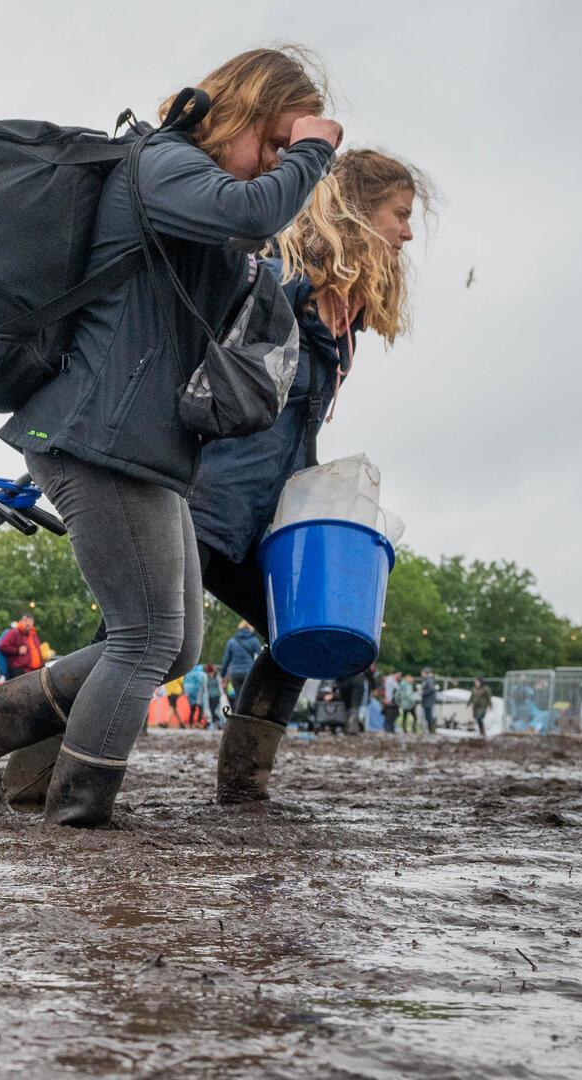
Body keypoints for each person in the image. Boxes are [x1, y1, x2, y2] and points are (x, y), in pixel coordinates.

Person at [0, 47, 341, 827]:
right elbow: (256, 213)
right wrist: (318, 148)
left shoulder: (188, 182)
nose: (282, 166)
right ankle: (78, 816)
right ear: (245, 115)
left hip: (137, 443)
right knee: (144, 635)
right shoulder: (167, 165)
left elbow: (254, 239)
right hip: (99, 437)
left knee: (177, 645)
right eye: (277, 144)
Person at [189, 147, 430, 799]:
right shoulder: (274, 281)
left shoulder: (343, 324)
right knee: (141, 643)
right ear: (356, 214)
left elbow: (295, 433)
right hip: (200, 500)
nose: (408, 232)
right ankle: (11, 755)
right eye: (399, 214)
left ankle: (243, 786)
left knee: (294, 632)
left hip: (262, 517)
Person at [218, 622, 262, 706]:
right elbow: (261, 655)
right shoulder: (254, 640)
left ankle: (237, 716)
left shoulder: (232, 641)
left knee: (238, 697)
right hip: (248, 672)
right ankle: (248, 716)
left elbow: (226, 660)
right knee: (248, 696)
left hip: (235, 673)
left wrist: (222, 675)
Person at [183, 663, 207, 728]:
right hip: (199, 692)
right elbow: (204, 684)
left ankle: (191, 724)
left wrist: (186, 692)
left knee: (192, 709)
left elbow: (185, 683)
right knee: (200, 708)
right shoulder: (202, 673)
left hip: (190, 692)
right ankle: (198, 723)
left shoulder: (189, 672)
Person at [419, 667, 439, 733]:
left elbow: (431, 689)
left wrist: (423, 693)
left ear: (425, 673)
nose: (421, 674)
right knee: (428, 716)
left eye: (422, 672)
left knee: (429, 716)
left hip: (428, 701)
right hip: (427, 701)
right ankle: (431, 730)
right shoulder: (426, 680)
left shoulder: (429, 680)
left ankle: (432, 730)